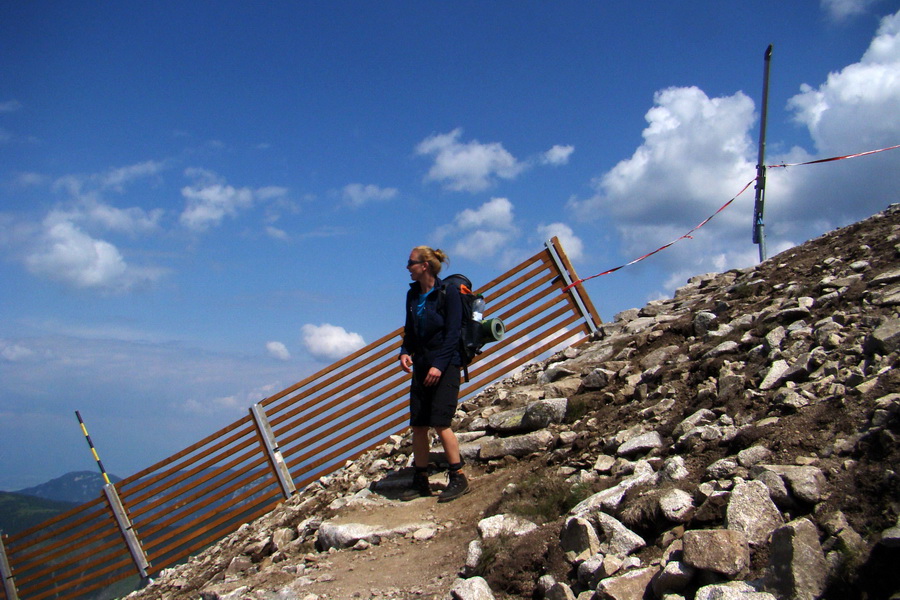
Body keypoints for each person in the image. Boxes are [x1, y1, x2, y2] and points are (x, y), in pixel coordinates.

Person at [398, 246, 470, 502]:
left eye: (411, 263)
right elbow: (410, 330)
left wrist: (439, 365)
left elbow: (452, 333)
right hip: (421, 366)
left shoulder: (447, 293)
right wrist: (405, 351)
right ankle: (421, 480)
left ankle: (458, 476)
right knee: (418, 425)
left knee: (441, 423)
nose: (407, 267)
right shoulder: (412, 295)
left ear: (424, 265)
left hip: (446, 365)